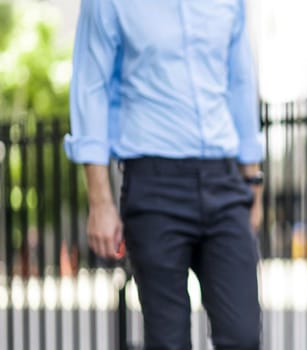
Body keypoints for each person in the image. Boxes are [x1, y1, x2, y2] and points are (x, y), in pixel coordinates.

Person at [65, 0, 264, 348]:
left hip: (224, 180)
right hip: (154, 184)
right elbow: (90, 87)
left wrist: (253, 180)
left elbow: (241, 82)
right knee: (168, 341)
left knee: (243, 336)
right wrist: (100, 201)